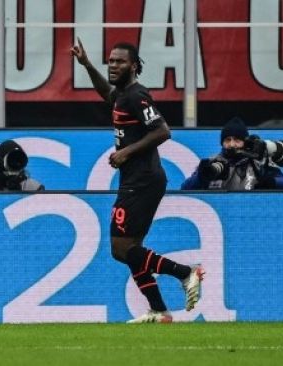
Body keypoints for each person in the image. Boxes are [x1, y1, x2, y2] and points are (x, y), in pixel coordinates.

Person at [71, 38, 204, 323]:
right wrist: (86, 64)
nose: (113, 65)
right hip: (137, 179)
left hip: (142, 180)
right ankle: (159, 311)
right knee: (130, 252)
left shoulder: (137, 96)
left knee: (121, 249)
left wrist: (125, 152)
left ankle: (185, 273)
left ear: (133, 66)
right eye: (111, 61)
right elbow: (106, 93)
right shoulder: (122, 95)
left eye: (120, 61)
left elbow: (162, 131)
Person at [181, 117, 283, 190]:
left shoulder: (259, 161)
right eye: (227, 140)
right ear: (222, 142)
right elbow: (185, 189)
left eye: (237, 140)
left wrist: (269, 181)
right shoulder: (213, 162)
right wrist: (200, 178)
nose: (231, 144)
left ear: (245, 142)